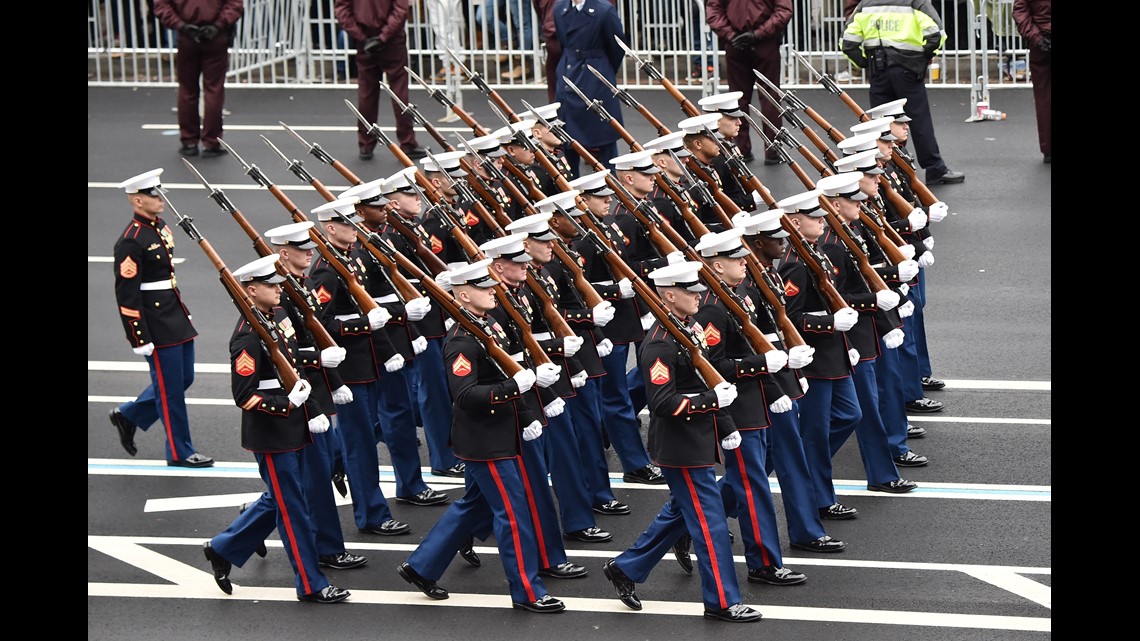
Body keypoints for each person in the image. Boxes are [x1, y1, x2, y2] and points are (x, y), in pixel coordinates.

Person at [397, 259, 567, 614]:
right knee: (512, 512)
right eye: (483, 287)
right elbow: (465, 395)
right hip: (485, 440)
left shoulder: (487, 325)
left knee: (474, 505)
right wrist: (513, 388)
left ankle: (422, 566)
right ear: (462, 295)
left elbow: (507, 372)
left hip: (502, 432)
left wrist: (527, 399)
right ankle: (527, 591)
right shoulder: (461, 341)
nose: (493, 290)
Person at [600, 260, 762, 623]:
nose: (698, 296)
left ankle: (626, 568)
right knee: (710, 525)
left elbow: (706, 380)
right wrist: (712, 405)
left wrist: (725, 423)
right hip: (681, 446)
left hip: (700, 437)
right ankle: (721, 601)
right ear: (669, 295)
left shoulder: (687, 329)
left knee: (680, 515)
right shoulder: (659, 344)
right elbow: (661, 402)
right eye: (690, 292)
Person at [201, 254, 350, 604]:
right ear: (251, 291)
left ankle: (224, 547)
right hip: (272, 434)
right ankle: (311, 584)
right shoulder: (247, 338)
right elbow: (244, 396)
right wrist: (288, 405)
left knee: (287, 499)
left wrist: (316, 362)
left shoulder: (273, 318)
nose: (278, 288)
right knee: (293, 508)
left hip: (293, 427)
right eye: (270, 285)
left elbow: (291, 357)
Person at [688, 228, 808, 586]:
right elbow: (711, 366)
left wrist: (775, 388)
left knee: (748, 480)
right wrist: (760, 369)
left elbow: (753, 349)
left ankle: (674, 531)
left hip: (755, 403)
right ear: (715, 265)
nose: (744, 262)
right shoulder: (710, 305)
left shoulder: (738, 295)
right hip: (736, 410)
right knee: (753, 485)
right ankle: (764, 563)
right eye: (735, 259)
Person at [732, 209, 847, 553]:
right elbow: (745, 346)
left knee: (768, 462)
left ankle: (683, 520)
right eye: (776, 239)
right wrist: (777, 385)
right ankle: (805, 530)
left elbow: (779, 329)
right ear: (757, 243)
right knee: (786, 457)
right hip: (761, 386)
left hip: (780, 376)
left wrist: (793, 371)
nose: (784, 244)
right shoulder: (746, 285)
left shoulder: (768, 275)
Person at [307, 197, 412, 537]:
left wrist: (385, 348)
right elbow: (320, 325)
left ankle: (340, 469)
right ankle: (371, 514)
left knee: (362, 437)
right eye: (347, 224)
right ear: (330, 228)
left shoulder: (351, 259)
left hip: (367, 363)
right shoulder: (325, 269)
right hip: (347, 370)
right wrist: (361, 326)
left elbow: (366, 312)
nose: (354, 229)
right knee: (361, 444)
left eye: (355, 223)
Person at [109, 168, 213, 468]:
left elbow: (167, 276)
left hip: (173, 313)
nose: (160, 198)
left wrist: (181, 307)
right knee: (170, 391)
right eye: (153, 195)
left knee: (184, 378)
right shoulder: (131, 241)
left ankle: (129, 415)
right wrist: (138, 337)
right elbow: (126, 295)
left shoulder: (160, 227)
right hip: (155, 322)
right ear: (137, 201)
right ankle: (180, 451)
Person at [775, 189, 863, 522]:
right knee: (813, 434)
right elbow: (791, 319)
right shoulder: (794, 266)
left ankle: (810, 476)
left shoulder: (816, 252)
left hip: (834, 355)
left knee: (849, 415)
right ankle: (821, 499)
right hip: (814, 361)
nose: (822, 221)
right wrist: (830, 323)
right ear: (795, 222)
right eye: (814, 217)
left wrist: (849, 342)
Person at [840, 0, 966, 185]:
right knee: (919, 120)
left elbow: (848, 42)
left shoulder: (866, 4)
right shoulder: (915, 2)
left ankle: (887, 172)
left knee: (881, 126)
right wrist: (923, 58)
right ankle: (934, 169)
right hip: (908, 70)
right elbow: (936, 35)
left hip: (878, 70)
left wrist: (865, 63)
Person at [334, 0, 427, 161]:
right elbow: (400, 8)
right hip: (392, 39)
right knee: (399, 92)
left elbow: (342, 9)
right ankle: (407, 143)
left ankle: (365, 144)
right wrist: (384, 37)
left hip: (364, 38)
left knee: (367, 92)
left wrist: (361, 37)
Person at [705, 0, 793, 165]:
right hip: (765, 43)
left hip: (735, 42)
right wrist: (759, 34)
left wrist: (730, 35)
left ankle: (741, 149)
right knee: (770, 98)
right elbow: (783, 11)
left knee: (738, 99)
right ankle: (773, 150)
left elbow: (714, 10)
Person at [152, 0, 244, 157]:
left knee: (187, 90)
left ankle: (189, 141)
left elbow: (161, 5)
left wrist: (181, 25)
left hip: (187, 36)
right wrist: (218, 25)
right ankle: (212, 142)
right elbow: (235, 5)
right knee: (213, 89)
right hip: (216, 35)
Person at [553, 0, 629, 178]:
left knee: (604, 132)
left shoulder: (604, 10)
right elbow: (564, 43)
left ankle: (611, 181)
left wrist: (603, 69)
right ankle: (571, 184)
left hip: (595, 74)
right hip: (569, 72)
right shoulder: (560, 8)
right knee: (566, 135)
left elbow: (617, 46)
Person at [1012, 0, 1050, 164]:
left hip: (1041, 41)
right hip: (1041, 38)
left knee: (1044, 99)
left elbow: (1020, 11)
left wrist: (1037, 38)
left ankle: (1048, 148)